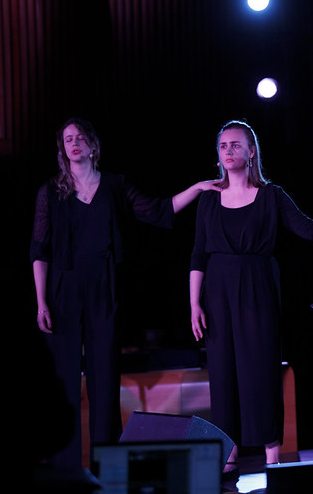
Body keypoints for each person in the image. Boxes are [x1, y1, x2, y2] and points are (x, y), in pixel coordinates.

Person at [30, 117, 220, 468]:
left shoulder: (115, 186)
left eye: (80, 137)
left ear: (92, 145)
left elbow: (159, 210)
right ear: (62, 148)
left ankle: (106, 468)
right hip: (62, 290)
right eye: (67, 139)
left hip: (104, 288)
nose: (74, 143)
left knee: (104, 379)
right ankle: (64, 467)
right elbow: (39, 250)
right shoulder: (51, 192)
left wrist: (196, 188)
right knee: (64, 379)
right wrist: (41, 300)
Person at [189, 120, 313, 480]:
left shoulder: (271, 195)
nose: (228, 151)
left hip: (257, 288)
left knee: (261, 372)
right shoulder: (209, 198)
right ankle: (229, 456)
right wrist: (194, 303)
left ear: (251, 151)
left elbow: (311, 229)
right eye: (223, 146)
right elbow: (197, 255)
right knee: (223, 376)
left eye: (236, 145)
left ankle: (272, 456)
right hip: (218, 291)